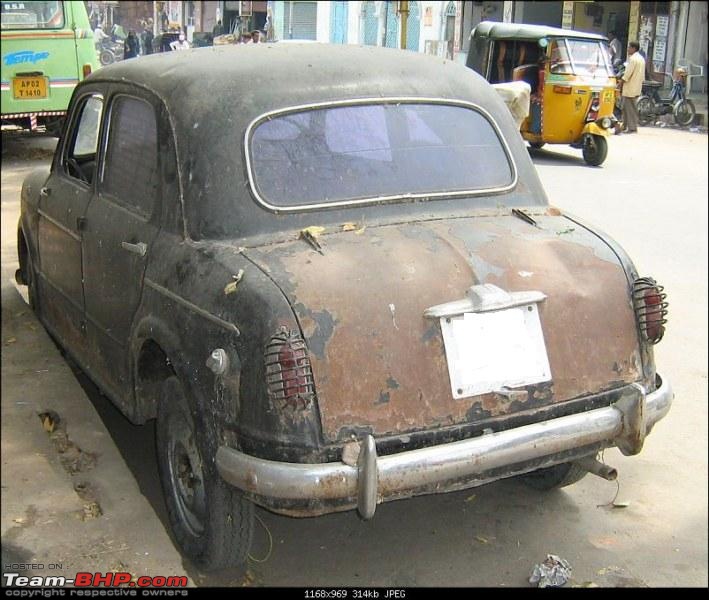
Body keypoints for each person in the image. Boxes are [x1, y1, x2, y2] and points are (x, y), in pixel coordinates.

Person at [619, 41, 645, 134]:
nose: (628, 49)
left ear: (634, 48)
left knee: (629, 109)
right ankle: (625, 125)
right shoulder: (641, 59)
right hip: (636, 87)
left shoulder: (633, 59)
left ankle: (632, 128)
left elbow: (627, 74)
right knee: (626, 108)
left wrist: (620, 83)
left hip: (630, 87)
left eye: (629, 47)